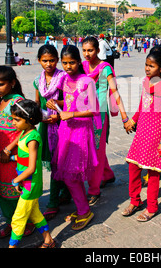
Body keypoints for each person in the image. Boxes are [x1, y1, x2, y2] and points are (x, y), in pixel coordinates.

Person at [122, 48, 161, 222]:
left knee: (153, 173)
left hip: (157, 136)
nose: (147, 69)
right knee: (133, 168)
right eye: (146, 65)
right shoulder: (147, 82)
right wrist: (133, 119)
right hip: (141, 133)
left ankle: (152, 207)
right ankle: (135, 201)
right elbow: (142, 105)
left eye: (151, 66)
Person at [52, 45, 101, 231]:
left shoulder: (87, 81)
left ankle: (84, 211)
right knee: (71, 173)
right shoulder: (64, 79)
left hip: (80, 130)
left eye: (71, 62)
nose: (67, 66)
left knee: (72, 174)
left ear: (79, 62)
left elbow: (94, 109)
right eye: (64, 63)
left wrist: (71, 115)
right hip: (66, 129)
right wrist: (57, 103)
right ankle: (82, 208)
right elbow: (70, 101)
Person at [0, 66, 35, 239]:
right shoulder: (3, 99)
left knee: (14, 188)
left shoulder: (17, 101)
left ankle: (25, 222)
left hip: (13, 152)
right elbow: (7, 124)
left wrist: (8, 149)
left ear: (12, 83)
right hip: (2, 150)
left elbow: (24, 129)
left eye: (0, 84)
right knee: (1, 188)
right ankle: (11, 221)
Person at [81, 37, 131, 205]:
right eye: (84, 50)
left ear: (98, 50)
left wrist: (124, 116)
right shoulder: (82, 67)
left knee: (95, 149)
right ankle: (107, 174)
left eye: (91, 50)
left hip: (99, 115)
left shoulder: (105, 68)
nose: (87, 54)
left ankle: (94, 190)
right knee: (95, 148)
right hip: (83, 112)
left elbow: (115, 92)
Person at [6, 100, 56, 248]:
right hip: (26, 182)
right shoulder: (24, 133)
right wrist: (12, 158)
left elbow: (32, 167)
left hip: (30, 184)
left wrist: (16, 180)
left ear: (30, 121)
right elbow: (25, 156)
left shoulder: (32, 138)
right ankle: (49, 240)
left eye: (17, 119)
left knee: (18, 218)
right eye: (13, 118)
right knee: (35, 214)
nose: (13, 122)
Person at [33, 45, 71, 221]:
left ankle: (53, 202)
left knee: (58, 162)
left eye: (52, 60)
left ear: (57, 60)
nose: (48, 64)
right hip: (46, 126)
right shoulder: (37, 81)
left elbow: (72, 100)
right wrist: (40, 117)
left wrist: (58, 104)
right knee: (55, 162)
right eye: (44, 60)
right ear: (39, 60)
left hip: (63, 124)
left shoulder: (64, 78)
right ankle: (64, 191)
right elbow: (37, 103)